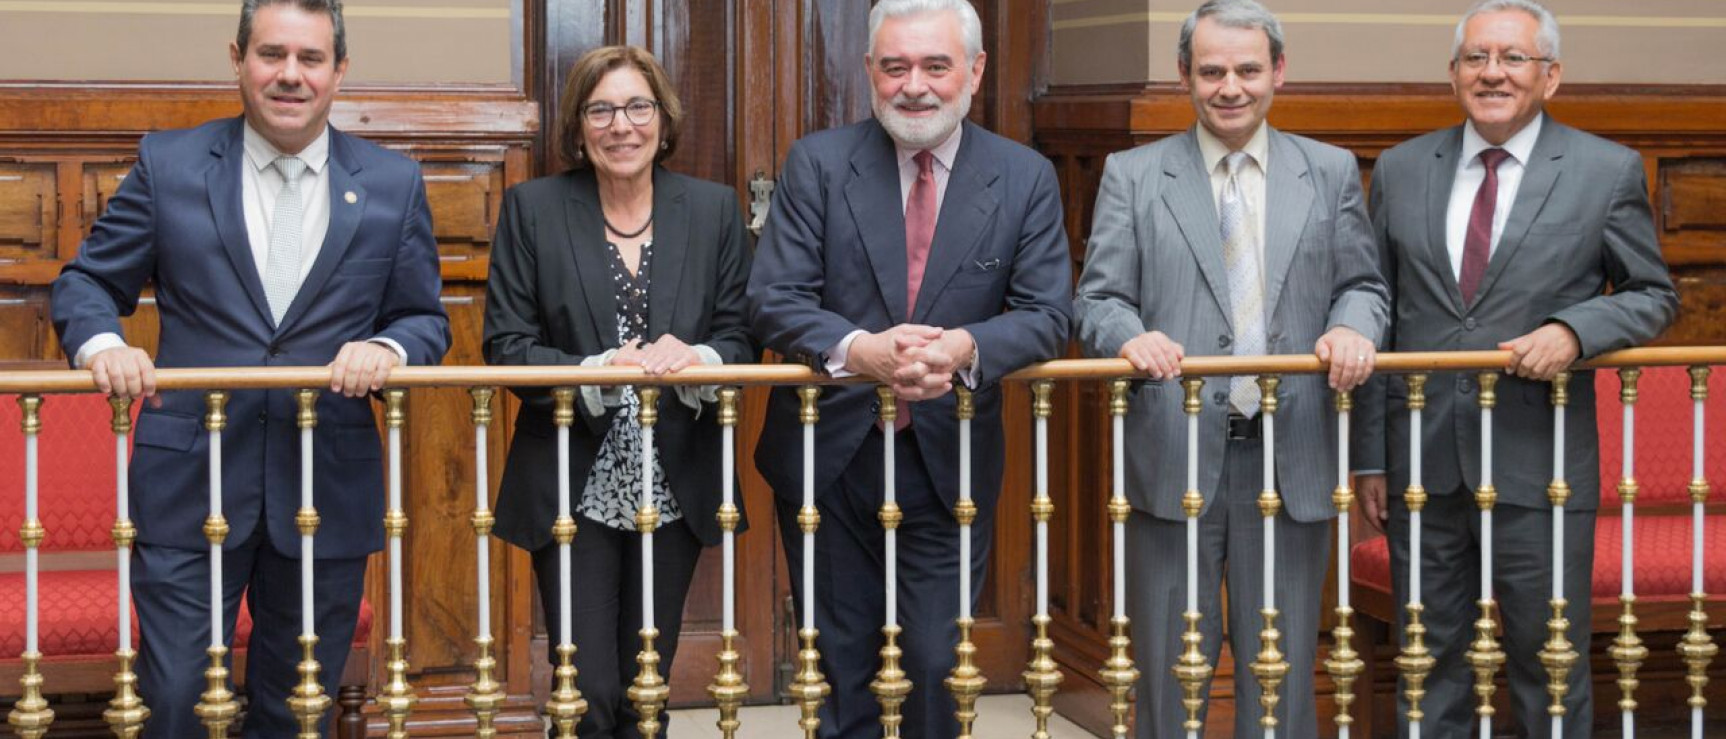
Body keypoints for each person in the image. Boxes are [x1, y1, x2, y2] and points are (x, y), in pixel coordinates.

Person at [48, 1, 450, 736]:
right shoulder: (169, 165)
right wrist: (105, 344)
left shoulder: (392, 183)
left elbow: (424, 318)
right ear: (237, 59)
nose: (290, 75)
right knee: (174, 706)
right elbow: (84, 284)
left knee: (295, 711)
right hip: (186, 487)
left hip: (325, 484)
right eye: (272, 55)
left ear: (339, 72)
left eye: (310, 59)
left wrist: (387, 349)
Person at [747, 0, 1071, 735]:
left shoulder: (1022, 177)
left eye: (935, 65)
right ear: (870, 71)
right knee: (841, 672)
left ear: (975, 71)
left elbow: (1049, 312)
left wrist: (963, 348)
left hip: (948, 461)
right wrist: (861, 351)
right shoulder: (819, 163)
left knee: (933, 668)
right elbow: (771, 298)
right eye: (894, 66)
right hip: (829, 463)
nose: (914, 85)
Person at [1354, 2, 1678, 735]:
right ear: (1454, 73)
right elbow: (1379, 307)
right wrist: (1370, 456)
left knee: (1548, 659)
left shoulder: (1605, 169)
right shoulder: (1403, 169)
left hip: (1544, 460)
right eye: (1476, 58)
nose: (1492, 73)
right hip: (1421, 460)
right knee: (1427, 657)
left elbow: (1653, 294)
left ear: (1550, 76)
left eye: (1512, 58)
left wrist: (1574, 328)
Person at [1072, 1, 1387, 735]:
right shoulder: (1133, 174)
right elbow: (1097, 298)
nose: (1230, 87)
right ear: (1185, 75)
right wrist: (1129, 336)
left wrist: (1351, 325)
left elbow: (1364, 286)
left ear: (1278, 71)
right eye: (1212, 71)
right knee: (1168, 676)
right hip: (1172, 458)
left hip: (1295, 454)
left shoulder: (1331, 170)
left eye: (1248, 69)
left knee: (1277, 680)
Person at [483, 44, 754, 739]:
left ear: (664, 121)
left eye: (638, 107)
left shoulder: (714, 210)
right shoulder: (533, 209)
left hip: (673, 480)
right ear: (578, 127)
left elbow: (741, 337)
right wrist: (595, 367)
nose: (620, 125)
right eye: (600, 109)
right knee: (588, 689)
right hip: (571, 480)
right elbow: (506, 346)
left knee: (645, 688)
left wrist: (697, 356)